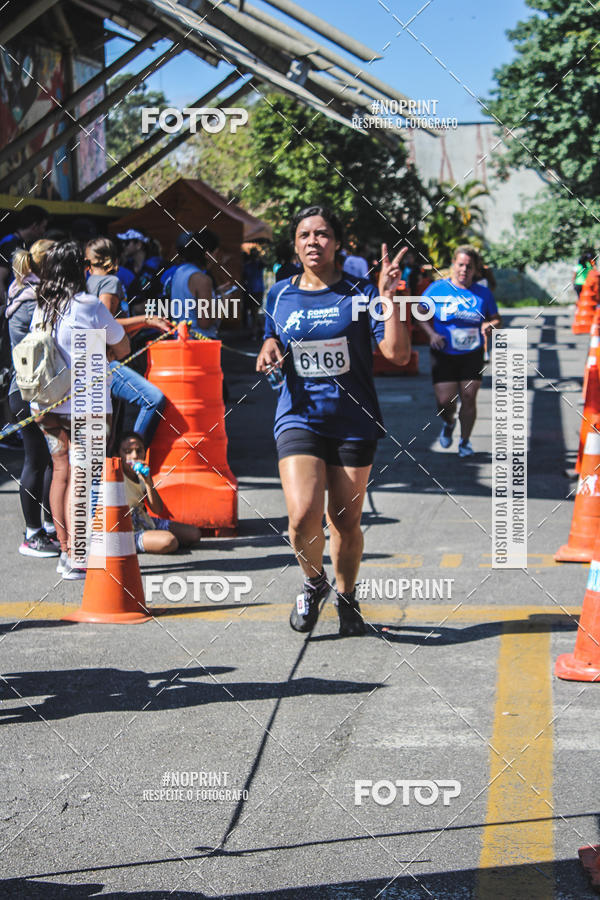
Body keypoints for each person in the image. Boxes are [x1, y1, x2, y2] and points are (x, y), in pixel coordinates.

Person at [256, 204, 410, 637]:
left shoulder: (362, 294)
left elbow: (398, 354)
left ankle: (347, 597)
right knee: (302, 514)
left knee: (345, 522)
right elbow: (271, 335)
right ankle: (314, 582)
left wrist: (389, 299)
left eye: (322, 233)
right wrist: (268, 346)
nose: (313, 241)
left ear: (338, 243)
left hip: (353, 420)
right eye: (304, 235)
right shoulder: (278, 294)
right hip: (298, 416)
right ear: (294, 245)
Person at [31, 241, 130, 579]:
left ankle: (65, 549)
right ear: (81, 270)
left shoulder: (42, 305)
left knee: (61, 472)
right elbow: (122, 345)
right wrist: (103, 351)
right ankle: (78, 554)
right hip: (87, 406)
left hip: (46, 404)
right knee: (83, 476)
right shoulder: (88, 304)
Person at [85, 237, 170, 447]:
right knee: (152, 400)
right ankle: (133, 452)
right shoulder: (109, 282)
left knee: (106, 432)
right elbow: (105, 325)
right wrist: (146, 320)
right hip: (105, 360)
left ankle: (121, 458)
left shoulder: (85, 283)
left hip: (91, 360)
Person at [418, 245, 502, 458]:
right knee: (445, 401)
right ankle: (449, 423)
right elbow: (419, 312)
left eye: (469, 266)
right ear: (453, 265)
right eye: (461, 265)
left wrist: (489, 325)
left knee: (468, 396)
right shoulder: (437, 289)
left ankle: (465, 441)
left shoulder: (483, 293)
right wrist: (431, 334)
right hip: (443, 351)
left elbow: (496, 319)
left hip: (472, 352)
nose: (464, 269)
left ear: (475, 269)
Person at [6, 239, 58, 557]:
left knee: (49, 460)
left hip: (34, 390)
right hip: (28, 392)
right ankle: (33, 533)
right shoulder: (33, 300)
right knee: (36, 461)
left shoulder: (23, 292)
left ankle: (48, 527)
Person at [119, 431, 201, 554]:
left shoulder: (141, 475)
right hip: (129, 533)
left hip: (145, 522)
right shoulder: (117, 476)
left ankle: (152, 538)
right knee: (169, 541)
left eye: (139, 451)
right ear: (118, 455)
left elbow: (157, 509)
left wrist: (148, 482)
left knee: (194, 534)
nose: (135, 456)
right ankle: (139, 543)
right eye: (128, 452)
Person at [0, 205, 49, 302]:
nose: (43, 231)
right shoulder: (9, 243)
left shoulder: (28, 245)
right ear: (34, 226)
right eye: (43, 227)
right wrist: (7, 304)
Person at [169, 231, 214, 331]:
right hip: (199, 337)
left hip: (179, 334)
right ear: (207, 254)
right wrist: (222, 303)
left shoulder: (179, 272)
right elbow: (204, 322)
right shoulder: (202, 279)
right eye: (216, 253)